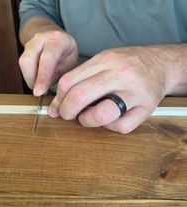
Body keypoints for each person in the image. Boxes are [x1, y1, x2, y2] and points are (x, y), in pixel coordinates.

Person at [18, 0, 187, 134]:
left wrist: (165, 65)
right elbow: (36, 8)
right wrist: (45, 33)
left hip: (173, 111)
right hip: (65, 103)